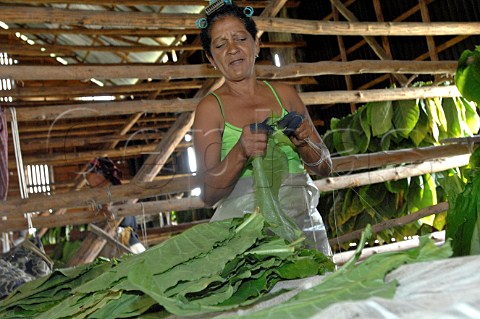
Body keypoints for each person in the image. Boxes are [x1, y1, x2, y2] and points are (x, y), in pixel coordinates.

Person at [192, 0, 333, 255]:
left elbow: (325, 166)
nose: (232, 49)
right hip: (246, 241)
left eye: (240, 39)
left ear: (256, 45)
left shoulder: (285, 95)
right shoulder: (210, 109)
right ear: (211, 59)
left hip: (305, 232)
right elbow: (208, 194)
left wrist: (305, 144)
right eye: (221, 45)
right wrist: (240, 153)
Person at [85, 157, 146, 254]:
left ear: (99, 175)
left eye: (89, 176)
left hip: (123, 242)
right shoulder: (99, 196)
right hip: (110, 243)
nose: (87, 182)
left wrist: (110, 211)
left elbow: (126, 219)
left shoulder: (116, 192)